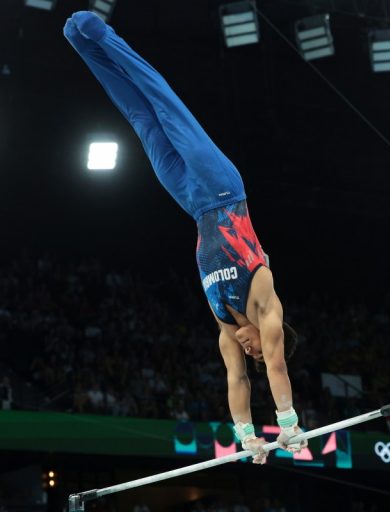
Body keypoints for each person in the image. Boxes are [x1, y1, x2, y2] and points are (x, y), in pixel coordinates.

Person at [64, 11, 305, 464]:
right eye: (257, 346)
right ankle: (101, 32)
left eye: (248, 349)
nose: (250, 348)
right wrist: (289, 422)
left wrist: (247, 435)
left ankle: (84, 47)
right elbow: (274, 365)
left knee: (141, 121)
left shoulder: (225, 329)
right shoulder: (265, 303)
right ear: (275, 335)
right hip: (222, 189)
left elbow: (238, 381)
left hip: (191, 203)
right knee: (162, 102)